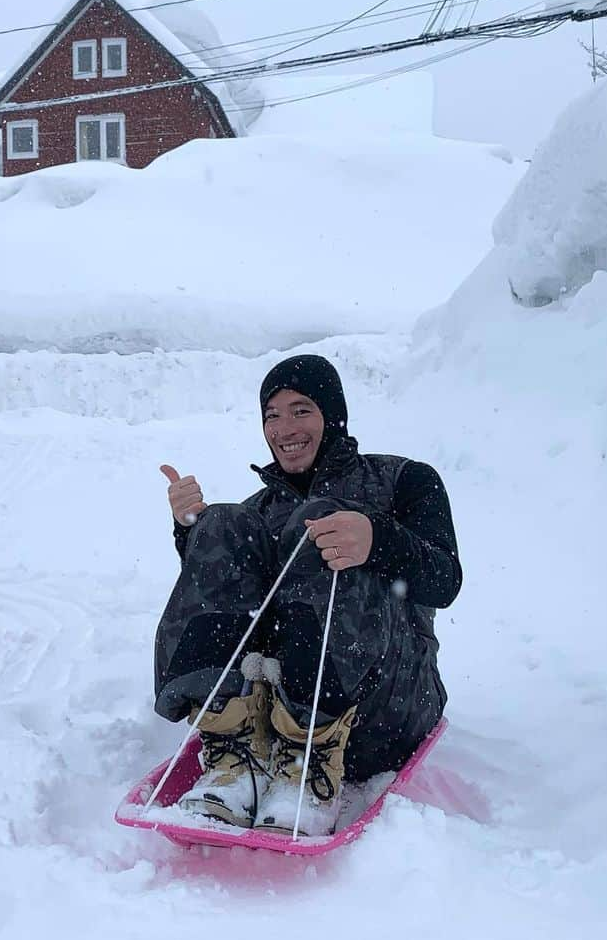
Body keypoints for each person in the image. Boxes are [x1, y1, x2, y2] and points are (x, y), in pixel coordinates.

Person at [154, 354, 461, 836]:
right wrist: (191, 534)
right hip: (269, 722)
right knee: (223, 521)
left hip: (384, 709)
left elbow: (445, 580)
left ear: (332, 415)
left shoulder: (405, 480)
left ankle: (310, 761)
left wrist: (378, 540)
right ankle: (236, 757)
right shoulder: (257, 512)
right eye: (271, 415)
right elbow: (224, 605)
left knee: (316, 521)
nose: (284, 428)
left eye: (301, 409)